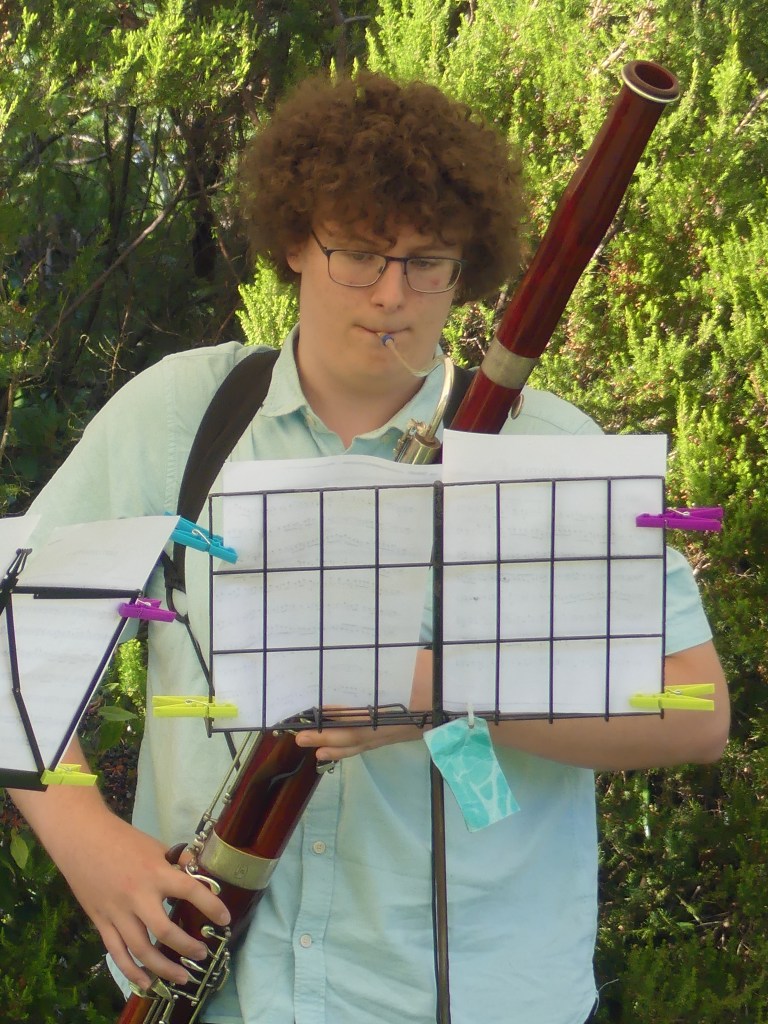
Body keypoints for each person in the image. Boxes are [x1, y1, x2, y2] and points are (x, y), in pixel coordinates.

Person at [10, 71, 729, 1024]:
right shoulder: (181, 415)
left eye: (427, 262)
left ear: (467, 265)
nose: (392, 296)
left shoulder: (551, 449)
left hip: (468, 1000)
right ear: (295, 242)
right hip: (226, 997)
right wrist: (89, 845)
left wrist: (428, 688)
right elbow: (15, 644)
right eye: (357, 254)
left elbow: (693, 709)